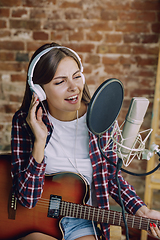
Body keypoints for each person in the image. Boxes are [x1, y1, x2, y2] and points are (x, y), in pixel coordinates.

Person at [11, 42, 160, 240]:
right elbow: (27, 199)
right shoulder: (24, 121)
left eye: (76, 76)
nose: (74, 88)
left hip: (83, 220)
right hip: (34, 221)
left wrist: (141, 209)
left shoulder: (102, 120)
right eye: (60, 82)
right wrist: (39, 142)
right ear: (39, 90)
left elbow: (110, 177)